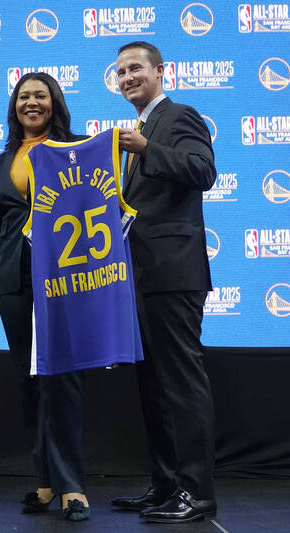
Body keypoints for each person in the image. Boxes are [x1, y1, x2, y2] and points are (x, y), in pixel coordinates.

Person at [111, 41, 217, 523]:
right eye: (121, 72)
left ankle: (196, 492)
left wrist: (148, 150)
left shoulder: (179, 117)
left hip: (173, 272)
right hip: (140, 276)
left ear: (160, 71)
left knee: (181, 383)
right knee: (153, 386)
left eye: (135, 68)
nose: (128, 77)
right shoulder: (139, 128)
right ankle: (165, 484)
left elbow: (203, 171)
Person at [0, 72, 90, 522]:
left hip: (65, 276)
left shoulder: (78, 149)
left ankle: (72, 486)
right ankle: (45, 481)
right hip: (13, 281)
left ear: (54, 102)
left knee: (62, 380)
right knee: (30, 382)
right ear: (14, 107)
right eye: (23, 97)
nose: (31, 102)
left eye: (40, 95)